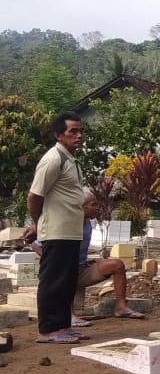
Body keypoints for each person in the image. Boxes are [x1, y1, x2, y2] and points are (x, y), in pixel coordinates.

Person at [31, 190, 147, 325]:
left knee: (117, 265)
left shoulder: (87, 224)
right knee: (65, 270)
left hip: (81, 269)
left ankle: (121, 308)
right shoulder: (64, 224)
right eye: (93, 205)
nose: (97, 208)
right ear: (82, 207)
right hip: (63, 271)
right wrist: (52, 261)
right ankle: (70, 316)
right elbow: (35, 244)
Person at [26, 111, 86, 344]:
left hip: (71, 231)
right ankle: (48, 329)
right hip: (56, 231)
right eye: (73, 131)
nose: (79, 135)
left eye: (80, 131)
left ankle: (62, 326)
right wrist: (37, 223)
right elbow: (34, 196)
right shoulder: (53, 159)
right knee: (53, 280)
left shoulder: (70, 159)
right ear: (58, 135)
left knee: (67, 281)